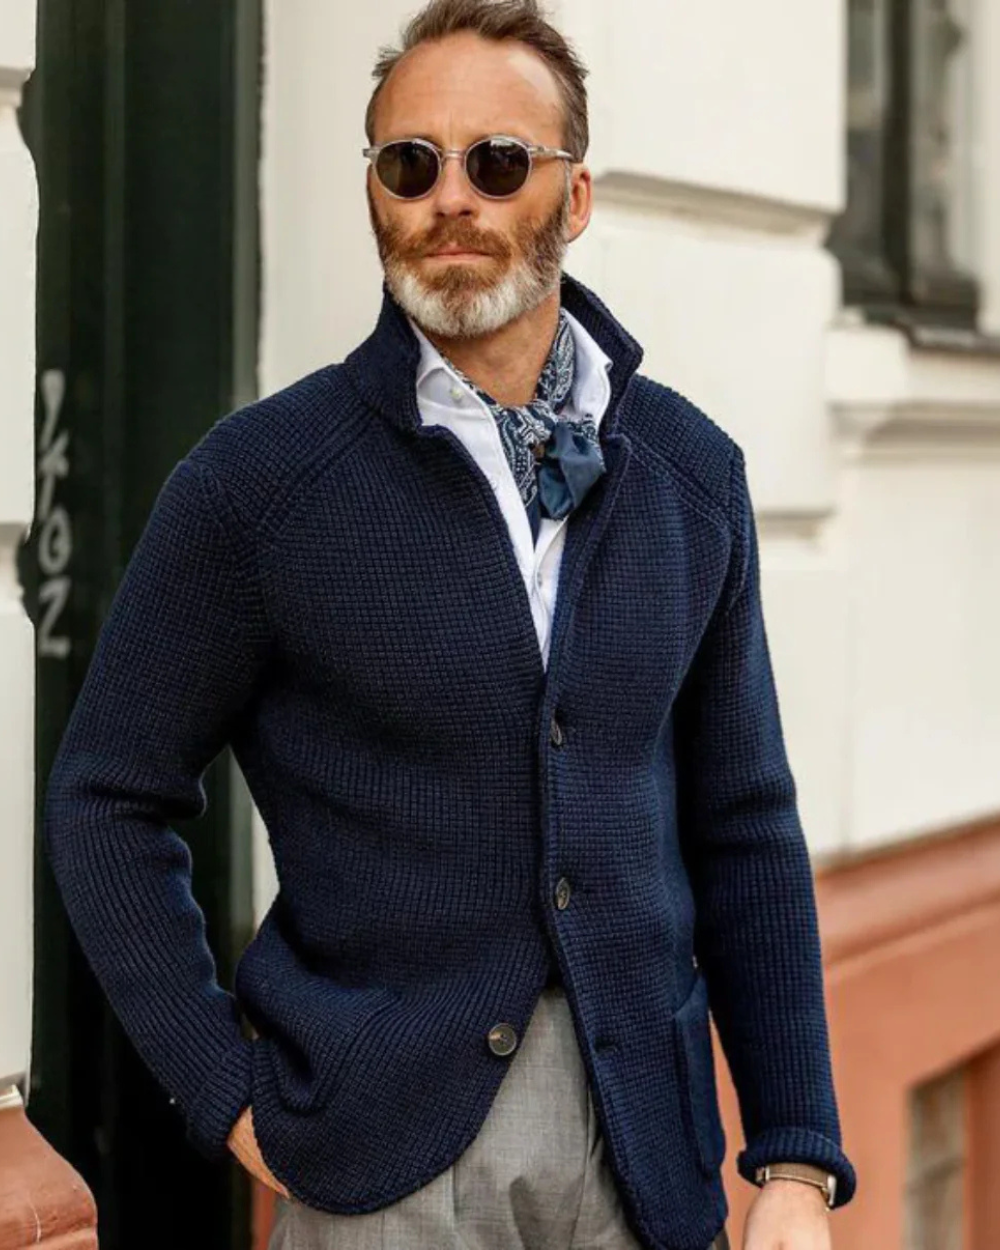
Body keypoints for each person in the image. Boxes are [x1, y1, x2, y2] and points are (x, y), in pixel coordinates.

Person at [43, 2, 857, 1248]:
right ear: (374, 192)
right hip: (380, 1162)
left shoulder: (691, 476)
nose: (451, 199)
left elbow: (743, 818)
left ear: (575, 197)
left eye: (499, 161)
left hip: (648, 1149)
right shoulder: (258, 485)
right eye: (410, 164)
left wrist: (795, 1154)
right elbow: (106, 793)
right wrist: (224, 1092)